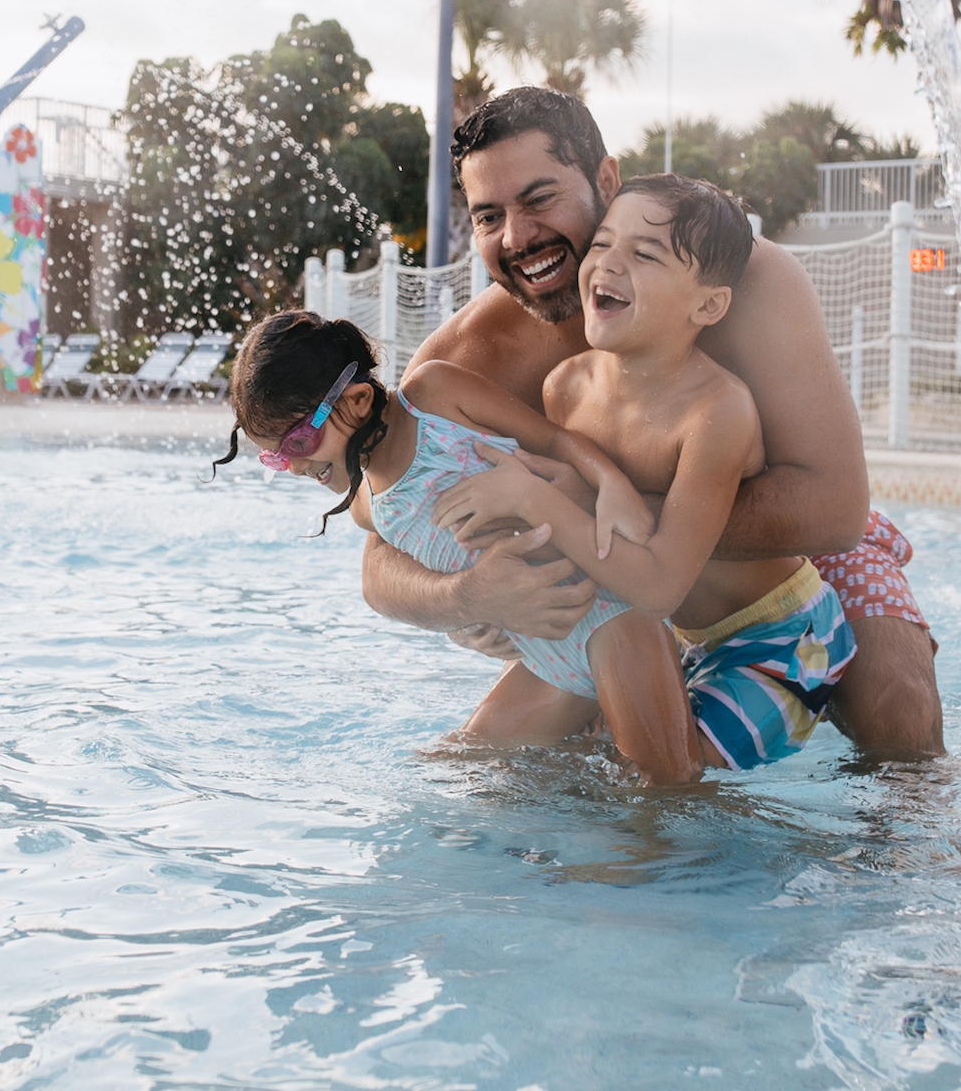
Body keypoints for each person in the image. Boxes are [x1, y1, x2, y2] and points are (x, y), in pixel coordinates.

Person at [362, 86, 944, 758]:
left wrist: (591, 509)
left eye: (540, 198)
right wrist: (466, 595)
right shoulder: (472, 362)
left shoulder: (741, 283)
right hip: (623, 585)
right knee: (502, 762)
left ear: (606, 180)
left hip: (788, 568)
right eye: (490, 216)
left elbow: (836, 507)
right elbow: (380, 544)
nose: (518, 238)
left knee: (897, 713)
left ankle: (921, 851)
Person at [429, 173, 857, 770]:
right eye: (602, 243)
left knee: (664, 777)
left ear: (707, 304)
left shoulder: (717, 411)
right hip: (666, 635)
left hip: (778, 639)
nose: (608, 264)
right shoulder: (566, 388)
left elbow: (661, 583)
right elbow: (581, 532)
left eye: (645, 253)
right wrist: (495, 605)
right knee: (471, 756)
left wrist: (532, 499)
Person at [212, 308, 706, 785]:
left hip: (609, 620)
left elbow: (554, 440)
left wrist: (611, 484)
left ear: (358, 400)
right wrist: (464, 612)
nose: (295, 467)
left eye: (298, 443)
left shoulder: (434, 396)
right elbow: (417, 581)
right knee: (452, 769)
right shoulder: (368, 506)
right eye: (275, 457)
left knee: (664, 797)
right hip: (546, 660)